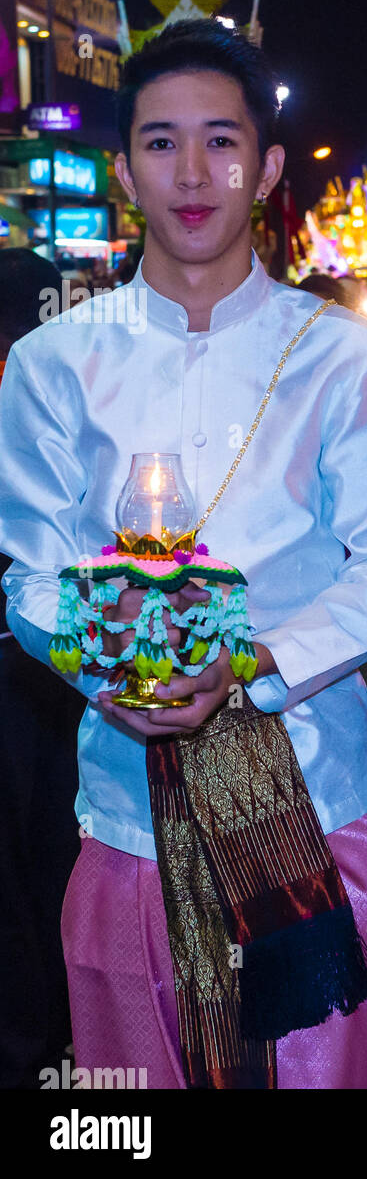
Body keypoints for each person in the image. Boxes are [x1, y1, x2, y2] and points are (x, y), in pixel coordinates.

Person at [0, 18, 367, 1089]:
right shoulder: (54, 363)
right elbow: (31, 576)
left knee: (316, 1066)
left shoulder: (345, 356)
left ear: (268, 165)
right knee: (128, 1090)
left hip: (315, 798)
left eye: (221, 141)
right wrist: (112, 673)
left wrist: (247, 661)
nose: (192, 173)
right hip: (122, 799)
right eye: (160, 141)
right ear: (123, 168)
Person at [0, 248, 85, 1087]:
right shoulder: (51, 390)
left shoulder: (44, 392)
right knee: (54, 858)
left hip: (44, 669)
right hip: (54, 673)